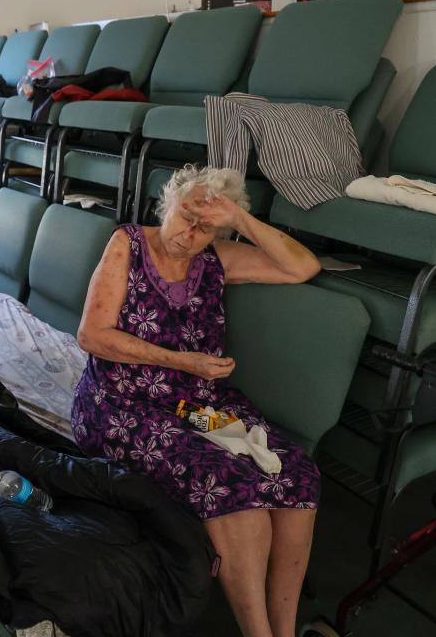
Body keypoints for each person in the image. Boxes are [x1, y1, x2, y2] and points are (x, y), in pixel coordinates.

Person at [71, 165, 323, 637]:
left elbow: (302, 267)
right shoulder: (128, 243)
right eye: (186, 216)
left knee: (298, 476)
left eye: (207, 227)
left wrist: (238, 220)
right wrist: (181, 361)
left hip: (193, 406)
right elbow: (91, 335)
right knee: (232, 488)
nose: (190, 233)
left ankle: (285, 630)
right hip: (122, 405)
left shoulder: (217, 257)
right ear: (167, 205)